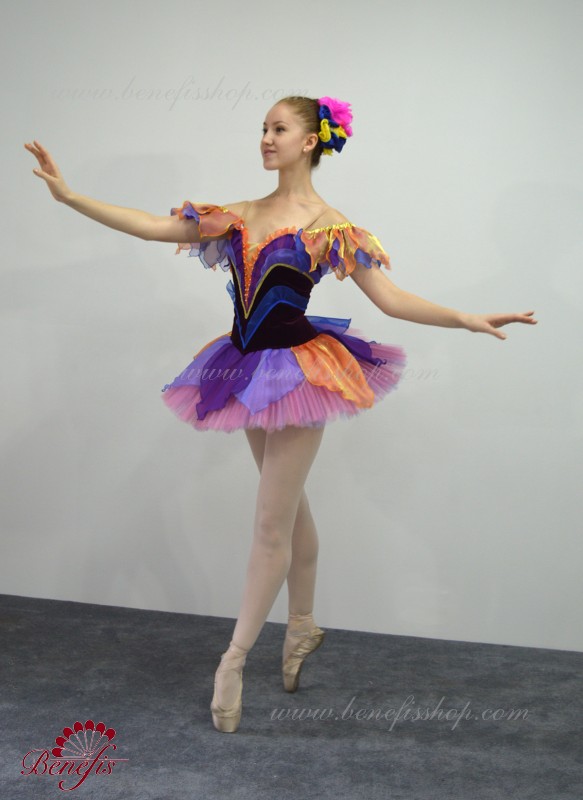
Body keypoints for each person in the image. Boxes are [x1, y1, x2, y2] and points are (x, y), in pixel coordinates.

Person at [24, 94, 537, 734]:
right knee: (290, 510)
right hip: (243, 368)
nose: (266, 138)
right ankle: (301, 625)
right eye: (262, 128)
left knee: (270, 524)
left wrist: (466, 317)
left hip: (298, 373)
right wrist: (70, 196)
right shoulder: (238, 214)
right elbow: (154, 226)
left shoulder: (329, 226)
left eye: (279, 128)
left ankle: (234, 660)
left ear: (311, 141)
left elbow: (391, 298)